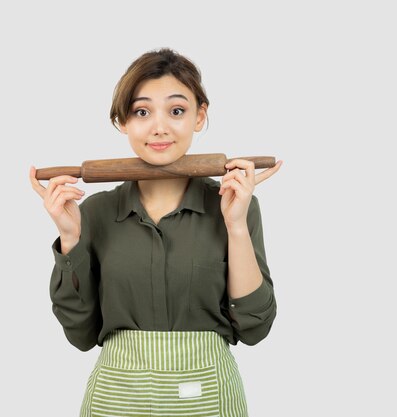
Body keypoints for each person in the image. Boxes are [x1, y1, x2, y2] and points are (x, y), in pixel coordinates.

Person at [29, 47, 282, 417]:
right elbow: (80, 335)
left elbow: (255, 328)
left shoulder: (232, 205)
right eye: (141, 112)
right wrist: (70, 240)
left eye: (176, 110)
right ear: (123, 122)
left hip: (207, 397)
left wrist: (235, 225)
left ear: (200, 116)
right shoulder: (94, 213)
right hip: (116, 400)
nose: (159, 127)